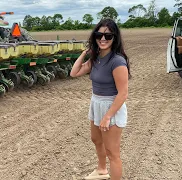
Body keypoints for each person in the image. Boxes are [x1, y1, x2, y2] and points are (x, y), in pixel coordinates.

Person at [70, 18, 130, 180]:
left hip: (111, 107)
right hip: (96, 103)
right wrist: (85, 53)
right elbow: (74, 73)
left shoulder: (117, 61)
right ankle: (102, 170)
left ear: (114, 38)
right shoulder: (96, 59)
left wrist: (107, 116)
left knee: (113, 152)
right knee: (96, 139)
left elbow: (123, 93)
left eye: (108, 36)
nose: (103, 39)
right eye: (99, 35)